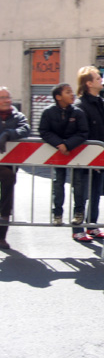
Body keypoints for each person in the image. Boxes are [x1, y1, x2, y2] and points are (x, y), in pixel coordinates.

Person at [39, 83, 90, 240]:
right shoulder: (48, 112)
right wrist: (59, 144)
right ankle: (57, 214)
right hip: (58, 153)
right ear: (58, 97)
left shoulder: (78, 112)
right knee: (58, 183)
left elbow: (83, 132)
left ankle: (79, 214)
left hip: (75, 153)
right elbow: (44, 131)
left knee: (78, 184)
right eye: (68, 92)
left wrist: (68, 145)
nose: (72, 94)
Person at [74, 66, 104, 239]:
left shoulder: (99, 102)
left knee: (96, 193)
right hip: (85, 159)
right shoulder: (80, 105)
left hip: (100, 157)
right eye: (97, 78)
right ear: (88, 83)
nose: (101, 80)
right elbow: (83, 134)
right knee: (81, 196)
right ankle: (77, 230)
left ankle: (92, 225)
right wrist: (92, 158)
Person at [0, 87, 31, 250]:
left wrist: (8, 134)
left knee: (6, 202)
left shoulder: (18, 116)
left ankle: (1, 237)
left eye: (8, 97)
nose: (7, 100)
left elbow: (25, 129)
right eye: (3, 97)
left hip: (9, 169)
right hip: (5, 171)